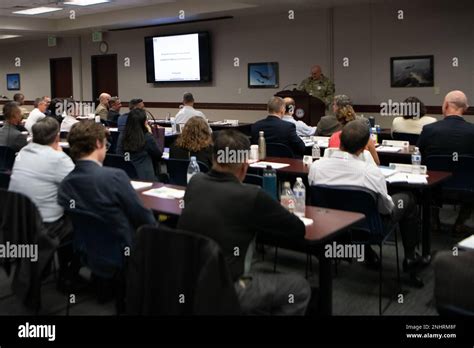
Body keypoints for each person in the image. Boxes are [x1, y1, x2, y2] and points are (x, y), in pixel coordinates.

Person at [178, 130, 311, 315]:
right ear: (244, 166)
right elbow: (297, 229)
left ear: (213, 159)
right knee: (299, 288)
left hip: (186, 280)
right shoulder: (252, 195)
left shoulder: (195, 182)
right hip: (226, 289)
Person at [309, 120, 423, 287]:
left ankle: (365, 252)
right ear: (364, 148)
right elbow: (385, 208)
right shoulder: (369, 172)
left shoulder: (316, 167)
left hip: (330, 226)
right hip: (370, 228)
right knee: (408, 198)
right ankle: (410, 258)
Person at [58, 121, 156, 246]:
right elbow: (145, 219)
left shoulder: (65, 184)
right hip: (124, 251)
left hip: (87, 251)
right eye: (105, 143)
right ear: (98, 144)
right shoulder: (115, 177)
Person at [9, 118, 75, 281]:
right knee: (80, 222)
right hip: (47, 225)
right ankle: (67, 276)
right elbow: (78, 187)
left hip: (18, 222)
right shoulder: (58, 158)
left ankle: (46, 266)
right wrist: (60, 153)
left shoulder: (23, 152)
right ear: (56, 137)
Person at [417, 90, 474, 235]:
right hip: (468, 188)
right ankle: (459, 223)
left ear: (446, 105)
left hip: (434, 186)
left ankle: (434, 221)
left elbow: (420, 155)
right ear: (465, 108)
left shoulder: (429, 130)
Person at [117, 109, 162, 181]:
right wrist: (150, 133)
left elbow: (118, 153)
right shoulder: (147, 137)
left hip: (126, 176)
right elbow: (158, 154)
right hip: (146, 178)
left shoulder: (122, 135)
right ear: (144, 122)